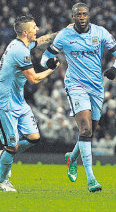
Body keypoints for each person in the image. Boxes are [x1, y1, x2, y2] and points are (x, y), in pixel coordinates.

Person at [41, 3, 116, 192]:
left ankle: (71, 157)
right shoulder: (64, 35)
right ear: (73, 17)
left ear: (89, 15)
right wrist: (49, 61)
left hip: (96, 86)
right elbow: (44, 58)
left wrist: (114, 68)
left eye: (84, 14)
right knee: (86, 128)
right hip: (75, 85)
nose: (81, 17)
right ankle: (91, 178)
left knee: (90, 132)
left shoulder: (100, 32)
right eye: (78, 14)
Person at [0, 14, 60, 192]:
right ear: (25, 32)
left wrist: (64, 32)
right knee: (12, 146)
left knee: (34, 138)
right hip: (5, 104)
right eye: (34, 27)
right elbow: (33, 79)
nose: (38, 29)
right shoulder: (20, 51)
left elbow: (41, 40)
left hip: (19, 101)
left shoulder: (20, 43)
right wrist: (52, 69)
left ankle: (3, 157)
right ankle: (2, 181)